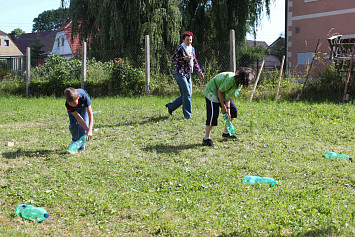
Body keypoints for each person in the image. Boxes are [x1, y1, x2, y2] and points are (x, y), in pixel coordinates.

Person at [202, 69, 253, 147]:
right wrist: (223, 107)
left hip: (222, 93)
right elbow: (220, 91)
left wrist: (228, 109)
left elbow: (228, 94)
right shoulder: (230, 80)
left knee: (233, 111)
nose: (249, 83)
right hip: (212, 92)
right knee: (213, 115)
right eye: (248, 81)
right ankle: (206, 138)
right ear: (242, 79)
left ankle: (226, 133)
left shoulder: (238, 83)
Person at [165, 31, 204, 119]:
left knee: (188, 94)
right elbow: (173, 60)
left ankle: (171, 106)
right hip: (179, 73)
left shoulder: (192, 49)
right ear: (183, 40)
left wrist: (200, 73)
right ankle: (187, 115)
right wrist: (183, 58)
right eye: (187, 40)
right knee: (186, 94)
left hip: (188, 74)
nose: (189, 41)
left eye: (190, 40)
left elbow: (194, 61)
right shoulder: (180, 48)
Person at [64, 87, 93, 153]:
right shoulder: (68, 105)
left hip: (83, 106)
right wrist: (88, 130)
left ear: (78, 97)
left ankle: (81, 148)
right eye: (71, 104)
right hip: (74, 112)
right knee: (73, 126)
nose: (73, 105)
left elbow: (90, 114)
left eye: (74, 103)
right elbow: (78, 118)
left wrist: (89, 130)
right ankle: (74, 140)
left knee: (84, 124)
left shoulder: (84, 97)